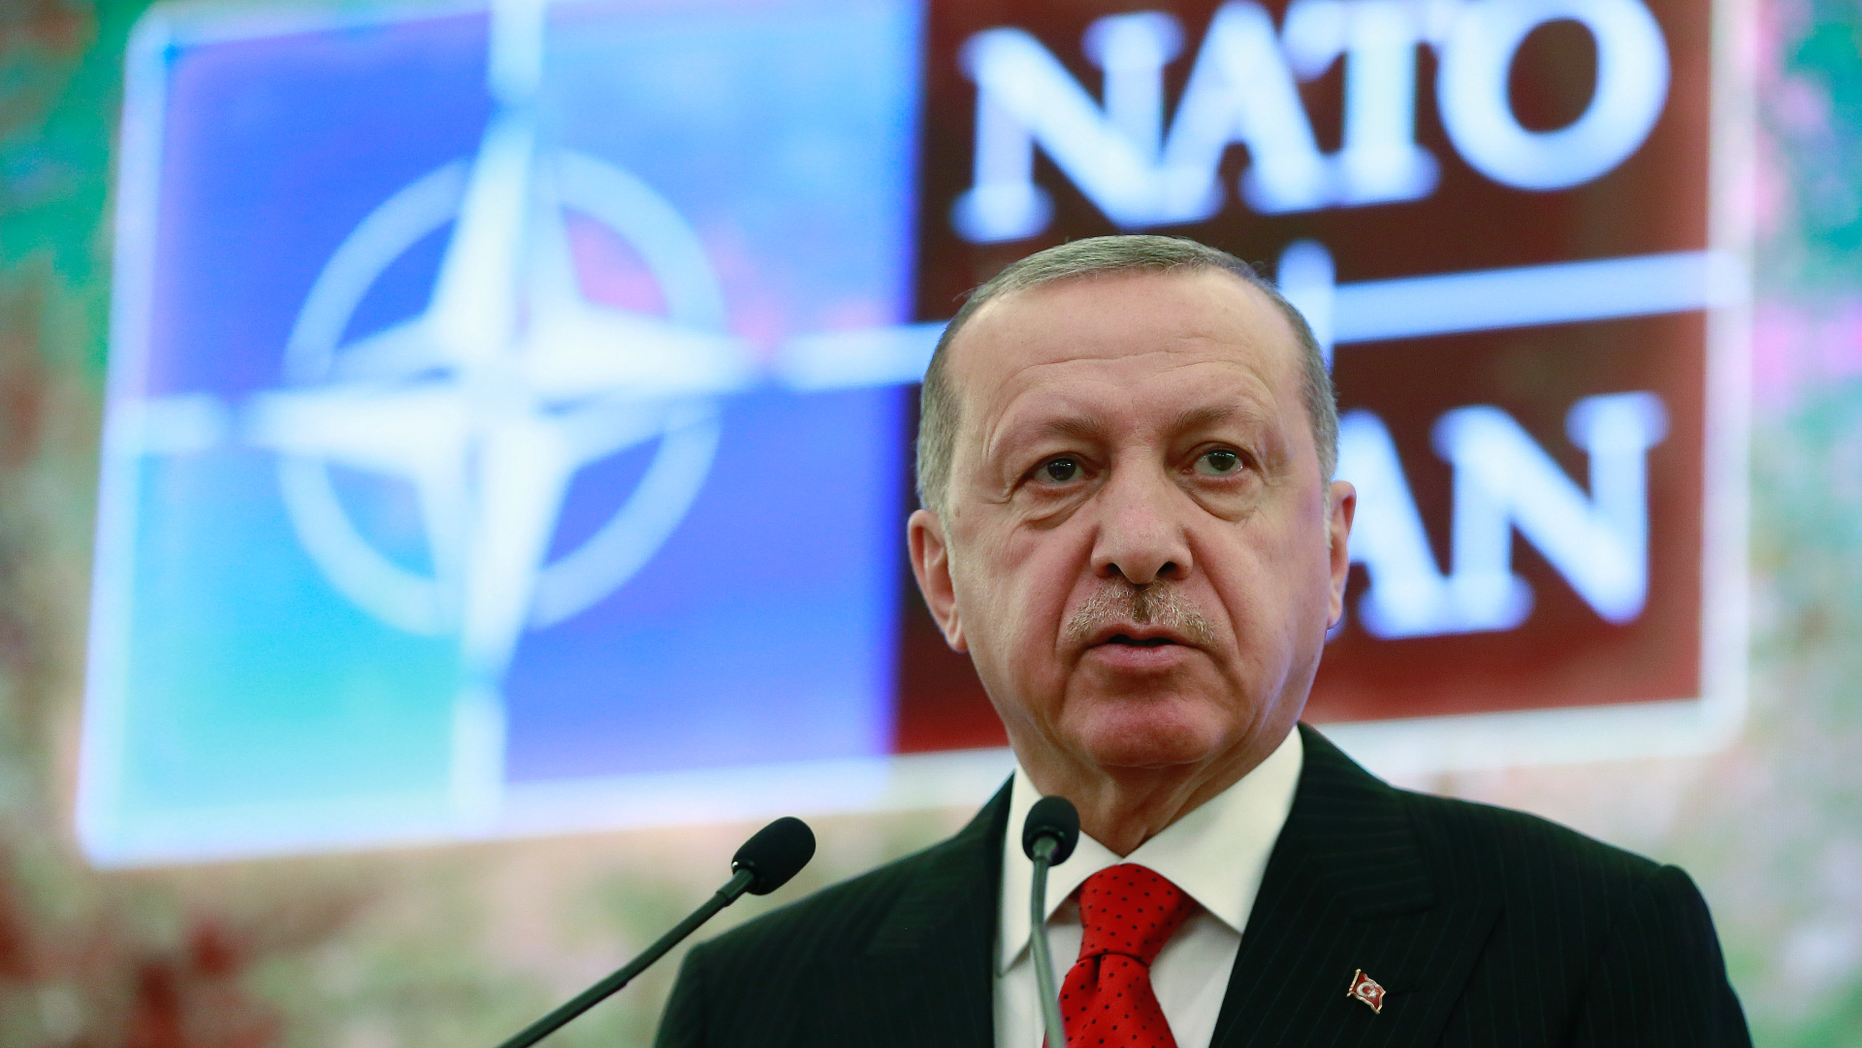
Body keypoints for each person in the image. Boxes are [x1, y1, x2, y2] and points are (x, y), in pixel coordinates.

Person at [654, 235, 1750, 1047]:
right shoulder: (755, 1008)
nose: (1137, 545)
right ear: (942, 576)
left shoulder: (1584, 941)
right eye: (1058, 469)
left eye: (1217, 460)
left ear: (1329, 549)